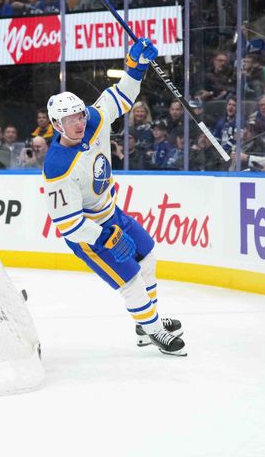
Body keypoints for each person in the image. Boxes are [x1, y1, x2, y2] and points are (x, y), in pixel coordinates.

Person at [42, 38, 185, 356]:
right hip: (87, 234)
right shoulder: (57, 167)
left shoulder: (94, 119)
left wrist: (135, 65)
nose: (79, 123)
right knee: (130, 278)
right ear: (56, 124)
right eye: (69, 120)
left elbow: (122, 95)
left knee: (146, 253)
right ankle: (153, 330)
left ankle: (147, 324)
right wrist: (106, 239)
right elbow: (69, 226)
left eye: (79, 116)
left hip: (111, 212)